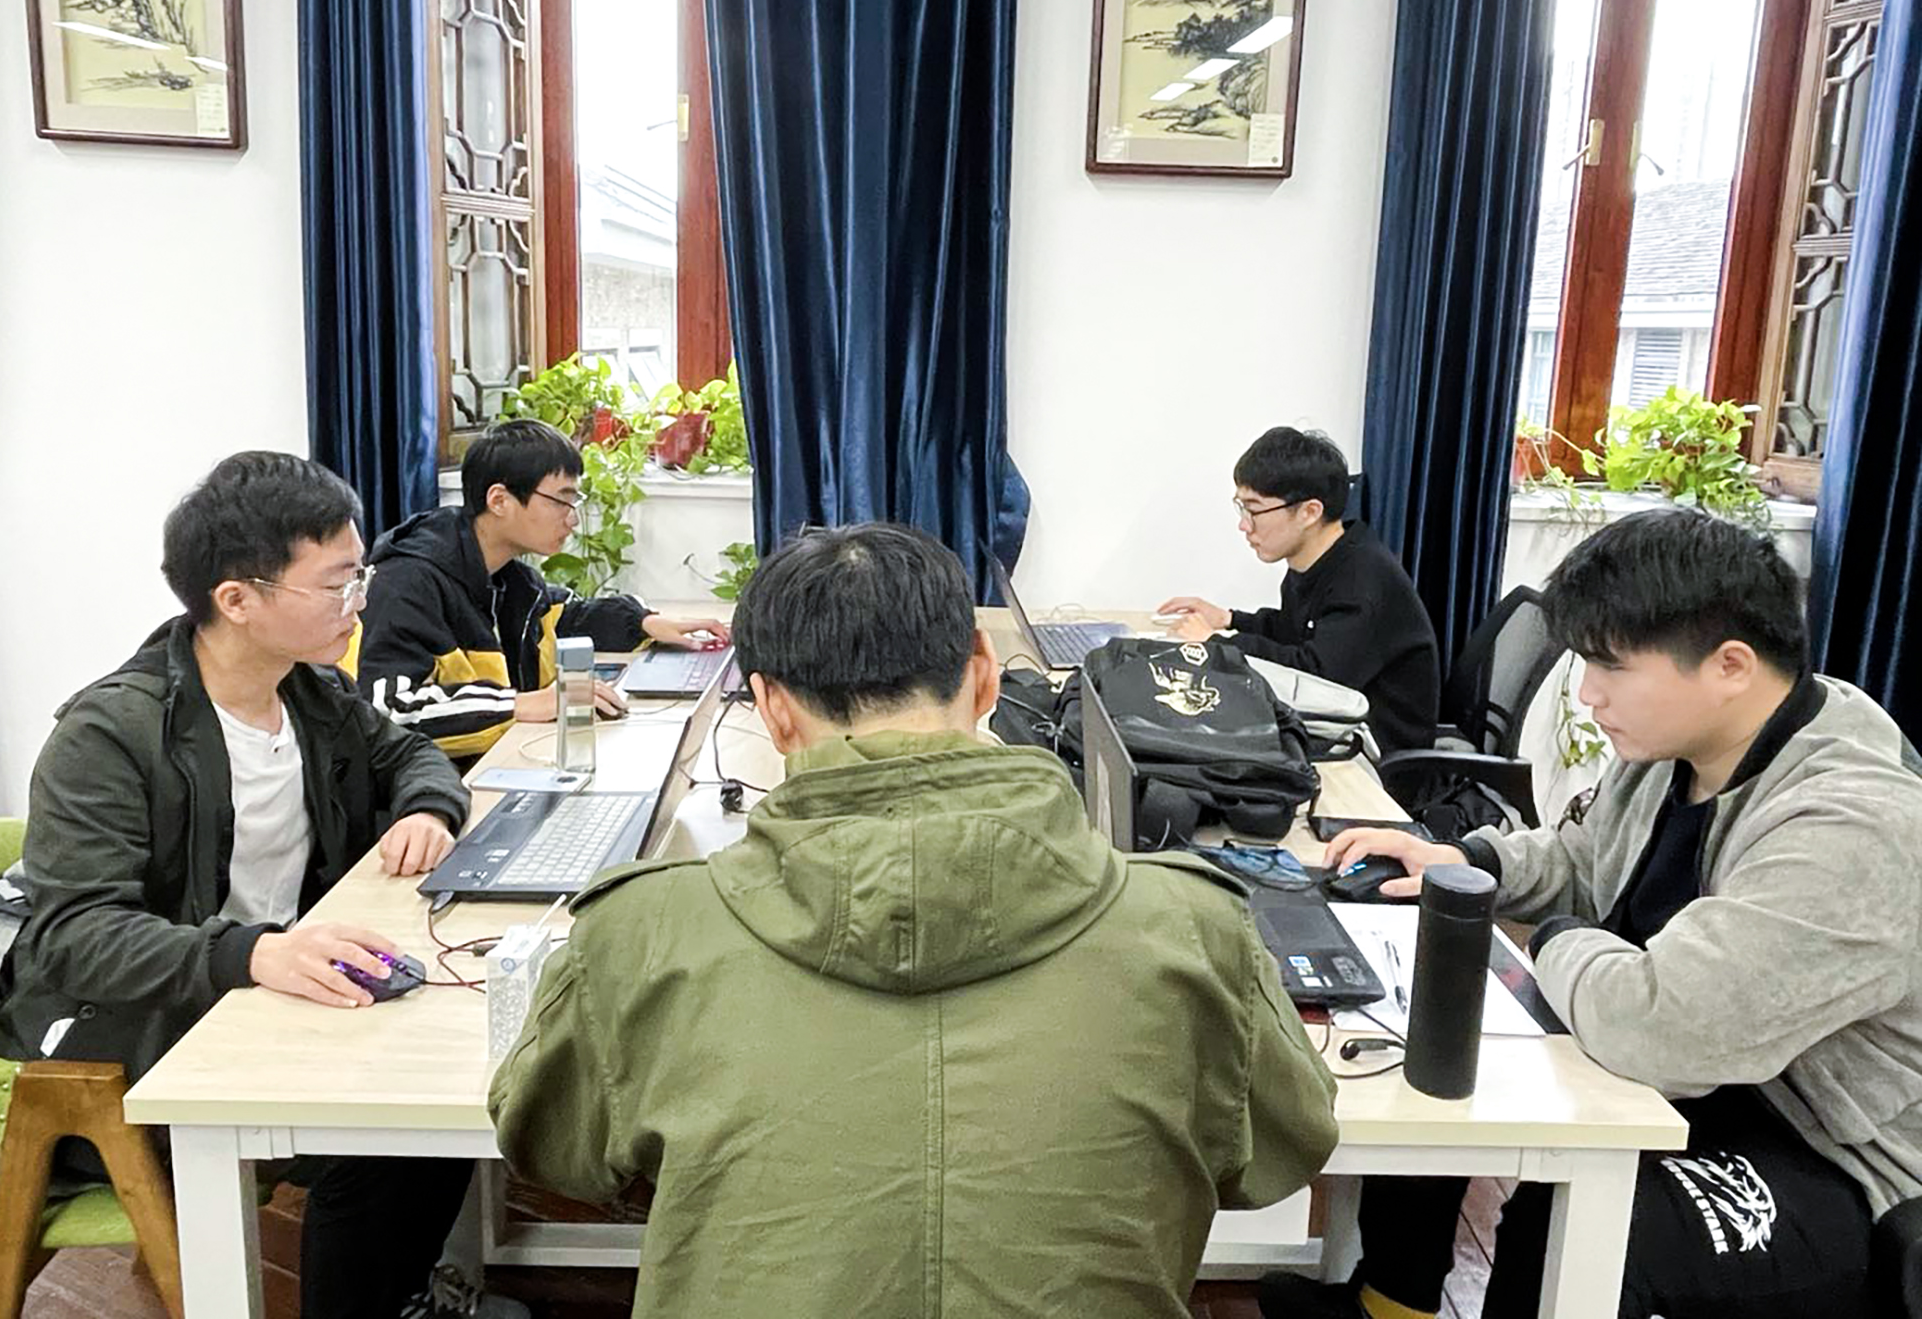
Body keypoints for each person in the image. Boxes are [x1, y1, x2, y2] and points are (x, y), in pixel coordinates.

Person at [489, 522, 1339, 1318]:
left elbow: (558, 1151)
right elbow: (1281, 1151)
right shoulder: (1194, 928)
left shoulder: (640, 933)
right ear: (984, 675)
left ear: (772, 709)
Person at [1261, 509, 1922, 1319]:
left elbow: (1665, 1027)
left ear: (1731, 666)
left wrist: (1560, 941)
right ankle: (1390, 1303)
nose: (1587, 694)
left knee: (1578, 1234)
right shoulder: (1682, 748)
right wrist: (1465, 863)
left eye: (1611, 667)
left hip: (1838, 1158)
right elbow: (1581, 857)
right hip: (1708, 1078)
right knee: (1438, 1054)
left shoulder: (1853, 826)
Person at [0, 452, 487, 1319]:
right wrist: (253, 954)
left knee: (450, 1071)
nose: (359, 600)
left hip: (262, 980)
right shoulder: (111, 733)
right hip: (145, 1017)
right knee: (382, 1130)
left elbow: (409, 751)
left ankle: (406, 1292)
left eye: (361, 575)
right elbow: (73, 935)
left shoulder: (310, 692)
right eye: (337, 582)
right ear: (237, 599)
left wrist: (427, 809)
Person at [348, 418, 731, 763]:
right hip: (427, 797)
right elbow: (390, 711)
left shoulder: (508, 577)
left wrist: (645, 622)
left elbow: (568, 618)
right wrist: (519, 705)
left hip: (499, 763)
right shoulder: (406, 584)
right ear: (499, 500)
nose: (572, 518)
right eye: (561, 500)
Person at [1158, 427, 1439, 754]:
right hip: (1333, 730)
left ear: (1309, 512)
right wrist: (1229, 619)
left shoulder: (1363, 580)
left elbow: (1315, 678)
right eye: (1241, 508)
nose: (1244, 525)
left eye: (1254, 509)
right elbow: (1294, 631)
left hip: (1373, 756)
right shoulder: (1317, 559)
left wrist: (1217, 644)